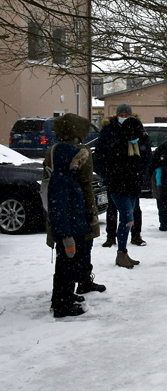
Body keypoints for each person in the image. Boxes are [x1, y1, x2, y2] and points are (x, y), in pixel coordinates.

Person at [45, 114, 106, 296]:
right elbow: (86, 182)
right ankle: (79, 283)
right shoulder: (80, 152)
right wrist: (91, 210)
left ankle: (74, 285)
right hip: (76, 206)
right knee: (80, 247)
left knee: (68, 252)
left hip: (59, 205)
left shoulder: (53, 150)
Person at [45, 135, 92, 317]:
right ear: (66, 161)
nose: (78, 165)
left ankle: (66, 296)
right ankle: (61, 305)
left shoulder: (67, 177)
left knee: (70, 268)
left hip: (75, 230)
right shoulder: (60, 181)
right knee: (65, 269)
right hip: (69, 234)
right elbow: (59, 212)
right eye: (76, 161)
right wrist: (66, 236)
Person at [95, 103, 148, 247]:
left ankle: (136, 235)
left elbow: (146, 153)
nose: (123, 118)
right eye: (121, 115)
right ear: (117, 116)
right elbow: (99, 154)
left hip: (132, 177)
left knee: (135, 209)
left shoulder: (137, 129)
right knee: (112, 209)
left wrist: (141, 172)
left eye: (126, 115)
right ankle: (111, 236)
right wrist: (105, 173)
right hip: (114, 178)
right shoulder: (109, 130)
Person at [105, 116, 147, 268]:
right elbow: (115, 170)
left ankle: (123, 252)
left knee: (129, 221)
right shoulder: (119, 147)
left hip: (131, 190)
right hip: (120, 190)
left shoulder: (132, 146)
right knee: (127, 220)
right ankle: (121, 253)